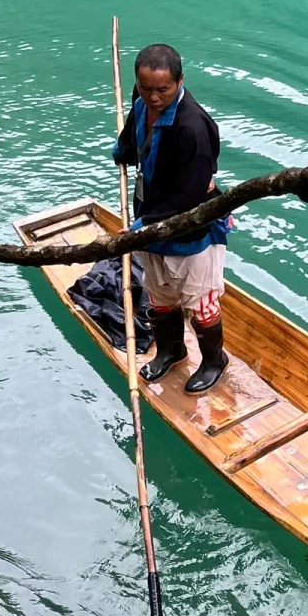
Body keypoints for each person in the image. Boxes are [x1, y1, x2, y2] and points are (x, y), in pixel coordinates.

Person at [111, 42, 230, 393]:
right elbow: (135, 134)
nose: (153, 97)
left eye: (163, 89)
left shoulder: (193, 129)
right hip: (149, 221)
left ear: (180, 81)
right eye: (146, 88)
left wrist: (139, 229)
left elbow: (189, 198)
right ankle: (171, 350)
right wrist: (122, 152)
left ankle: (214, 360)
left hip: (191, 229)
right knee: (159, 293)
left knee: (200, 301)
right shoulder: (142, 102)